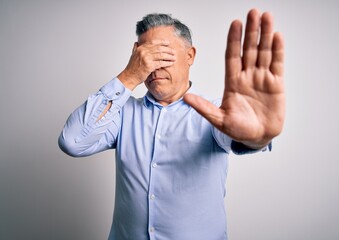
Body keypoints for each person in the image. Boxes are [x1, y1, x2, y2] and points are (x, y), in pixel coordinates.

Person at [58, 8, 285, 240]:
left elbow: (240, 136)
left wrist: (257, 137)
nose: (153, 67)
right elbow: (73, 142)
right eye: (145, 57)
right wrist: (129, 75)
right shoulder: (121, 112)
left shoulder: (217, 113)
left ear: (190, 56)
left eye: (163, 55)